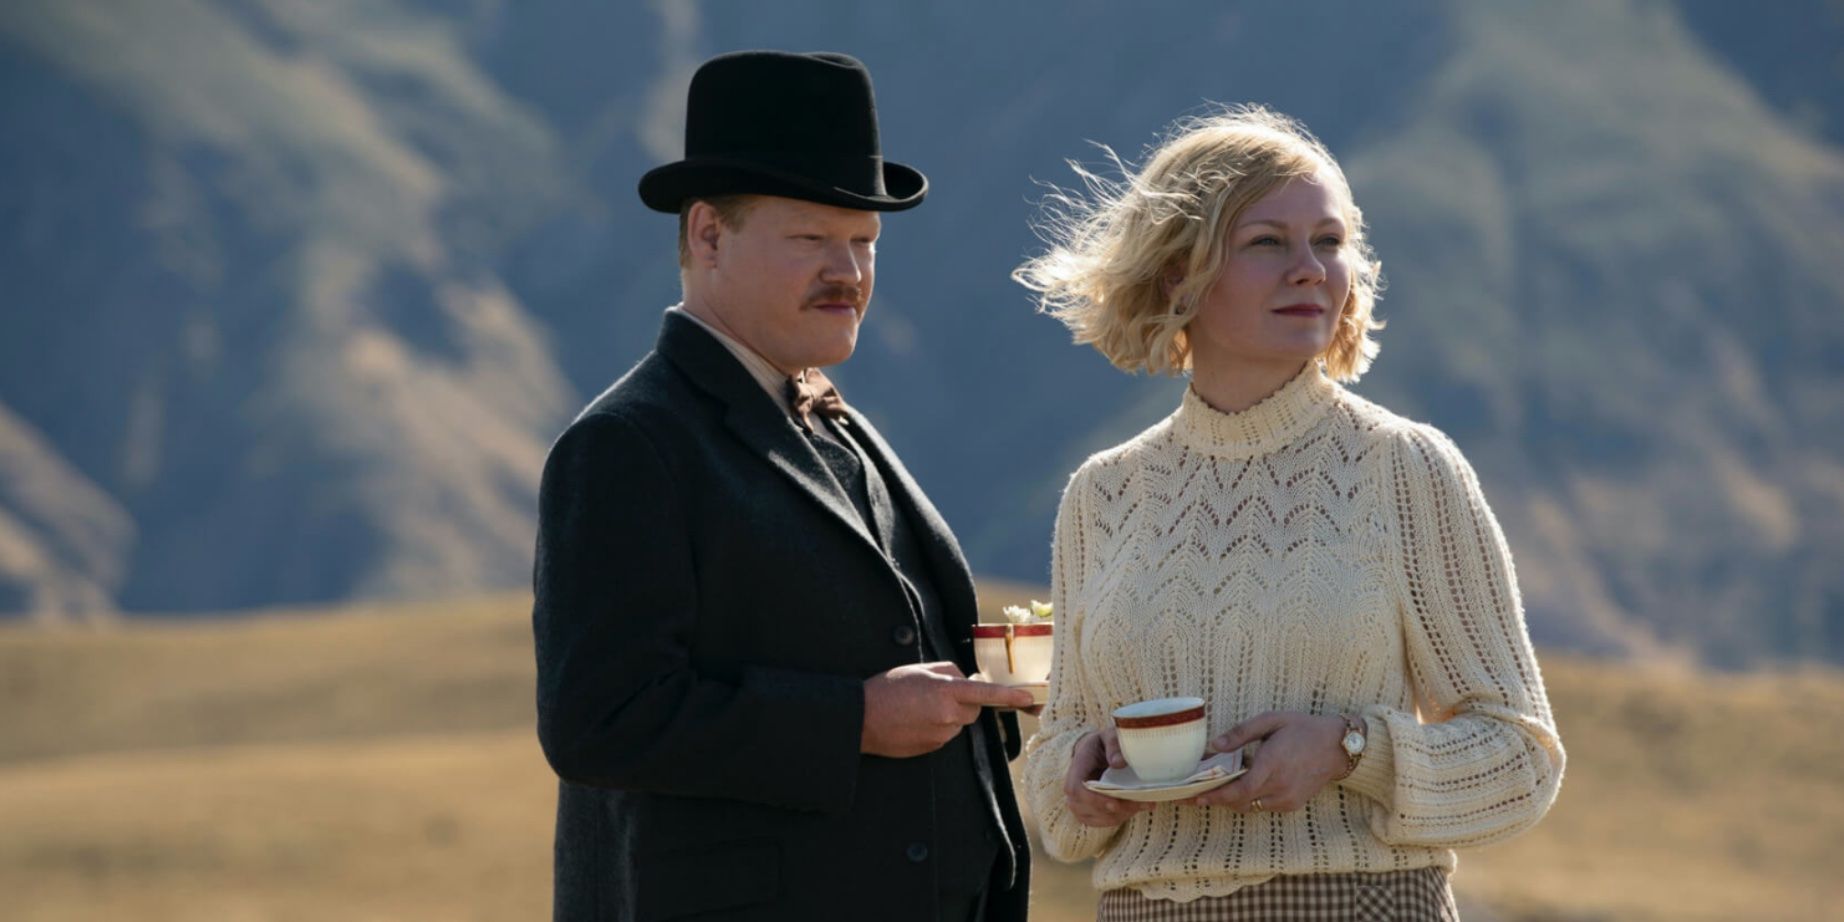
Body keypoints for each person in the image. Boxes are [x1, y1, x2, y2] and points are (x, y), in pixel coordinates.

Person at [1012, 105, 1565, 920]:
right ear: (1179, 274)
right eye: (1268, 243)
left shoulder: (1404, 468)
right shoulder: (1104, 494)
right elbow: (1056, 800)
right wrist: (1080, 773)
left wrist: (1353, 751)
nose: (1310, 270)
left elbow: (1519, 760)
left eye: (1330, 243)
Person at [531, 51, 1036, 922]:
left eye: (865, 242)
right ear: (707, 235)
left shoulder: (831, 416)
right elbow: (598, 721)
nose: (850, 270)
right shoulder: (627, 443)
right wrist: (854, 721)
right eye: (811, 238)